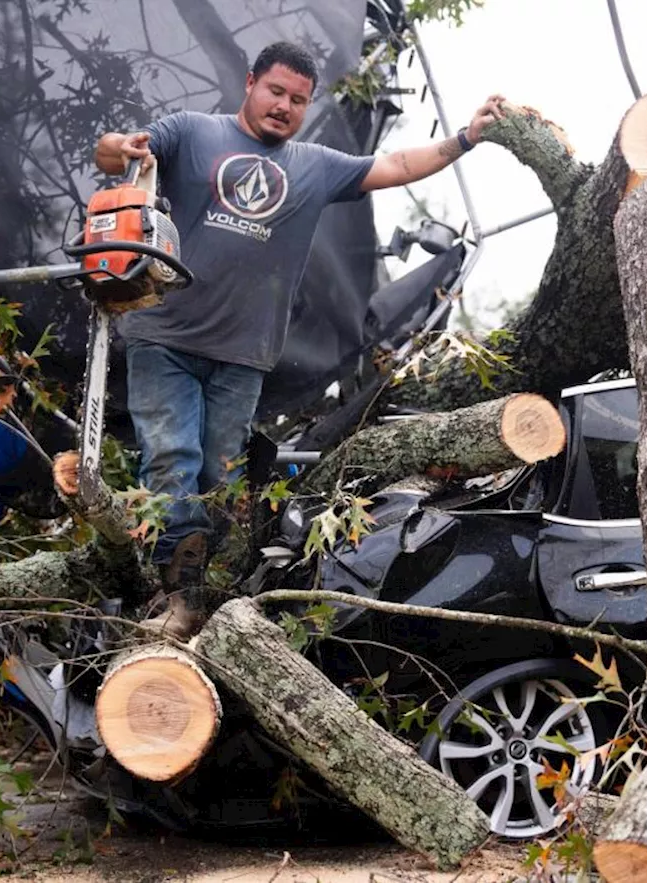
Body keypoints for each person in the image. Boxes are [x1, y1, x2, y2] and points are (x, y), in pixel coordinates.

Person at [93, 41, 505, 636]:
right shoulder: (191, 131)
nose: (284, 106)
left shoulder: (314, 165)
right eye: (276, 91)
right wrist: (117, 147)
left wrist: (465, 137)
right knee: (172, 459)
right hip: (166, 337)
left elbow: (397, 166)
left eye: (298, 100)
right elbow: (117, 154)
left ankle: (213, 594)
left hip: (243, 355)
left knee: (220, 476)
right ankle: (174, 597)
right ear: (250, 83)